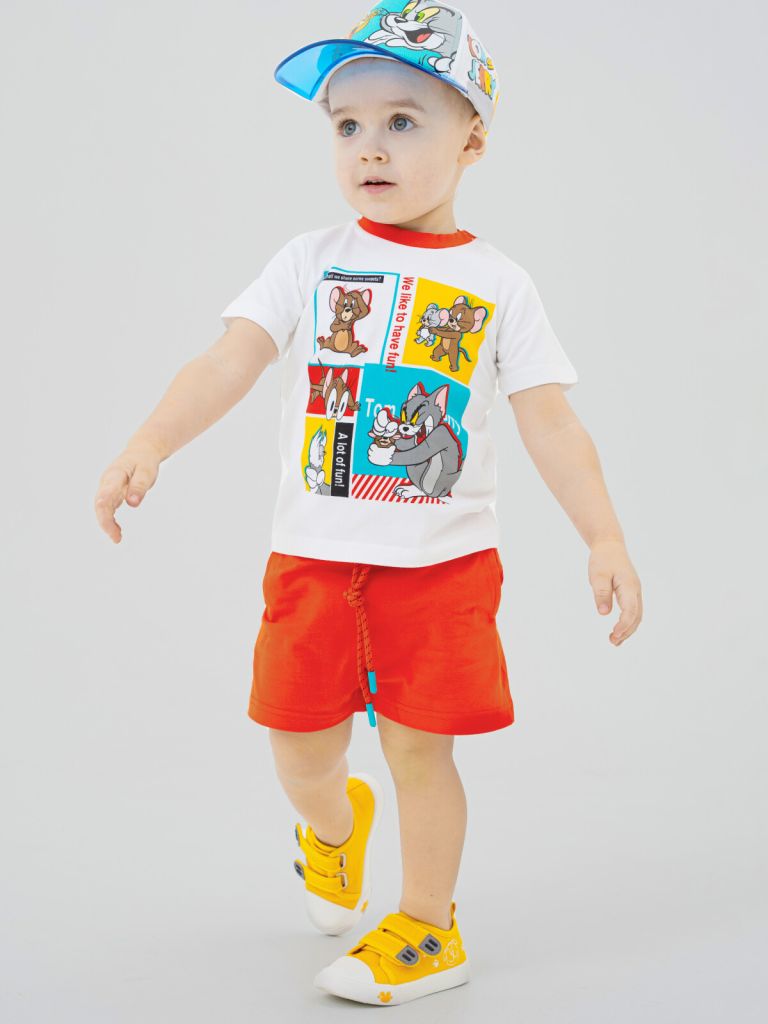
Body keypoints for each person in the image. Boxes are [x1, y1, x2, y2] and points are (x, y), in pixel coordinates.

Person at [94, 1, 642, 1007]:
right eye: (346, 124)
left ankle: (430, 926)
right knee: (299, 749)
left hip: (440, 568)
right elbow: (228, 360)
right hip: (313, 559)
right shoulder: (309, 261)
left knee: (418, 748)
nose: (369, 146)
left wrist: (603, 535)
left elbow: (553, 424)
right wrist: (150, 440)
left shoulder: (498, 284)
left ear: (472, 140)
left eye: (402, 120)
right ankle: (335, 828)